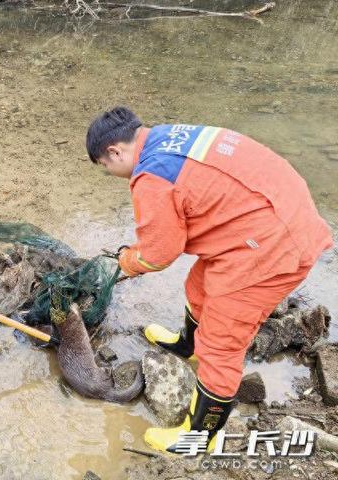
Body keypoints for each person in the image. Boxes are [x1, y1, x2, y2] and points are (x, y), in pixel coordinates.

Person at [85, 106, 333, 453]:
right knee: (198, 285)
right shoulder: (167, 136)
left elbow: (158, 254)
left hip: (271, 246)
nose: (112, 174)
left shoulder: (151, 177)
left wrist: (127, 260)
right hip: (277, 213)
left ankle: (199, 436)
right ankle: (187, 347)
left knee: (221, 342)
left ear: (114, 151)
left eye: (107, 167)